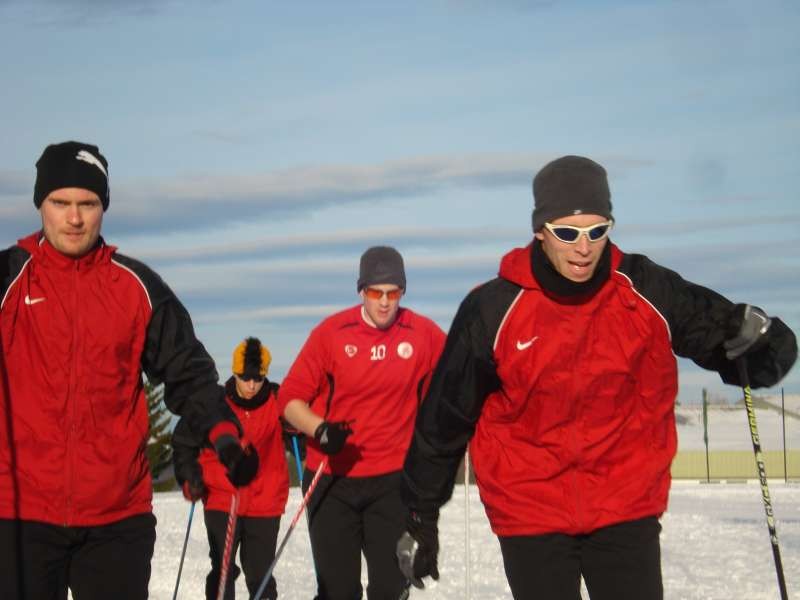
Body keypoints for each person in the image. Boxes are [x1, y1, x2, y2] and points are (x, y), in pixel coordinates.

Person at [397, 155, 798, 600]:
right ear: (540, 230)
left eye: (597, 231)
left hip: (625, 502)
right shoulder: (494, 309)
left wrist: (763, 348)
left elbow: (717, 331)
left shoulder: (645, 289)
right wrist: (420, 516)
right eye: (568, 233)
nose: (584, 247)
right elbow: (445, 418)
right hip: (531, 509)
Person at [0, 141, 258, 600]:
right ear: (40, 204)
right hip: (18, 514)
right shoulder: (8, 279)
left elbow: (189, 372)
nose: (74, 218)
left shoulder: (136, 287)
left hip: (117, 519)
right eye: (60, 203)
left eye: (87, 204)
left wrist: (223, 436)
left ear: (104, 207)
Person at [277, 246, 446, 600]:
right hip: (331, 478)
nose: (384, 302)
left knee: (390, 588)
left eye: (393, 293)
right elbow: (289, 399)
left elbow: (454, 384)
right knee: (338, 591)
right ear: (361, 291)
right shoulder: (332, 333)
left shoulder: (423, 333)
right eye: (375, 292)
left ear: (402, 292)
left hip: (392, 480)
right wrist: (320, 429)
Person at [173, 337, 289, 600]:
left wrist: (301, 432)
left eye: (258, 378)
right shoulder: (215, 404)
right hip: (221, 497)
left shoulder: (278, 401)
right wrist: (189, 477)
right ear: (235, 373)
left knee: (260, 574)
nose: (251, 385)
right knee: (222, 570)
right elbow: (184, 442)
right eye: (245, 377)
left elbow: (302, 434)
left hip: (266, 500)